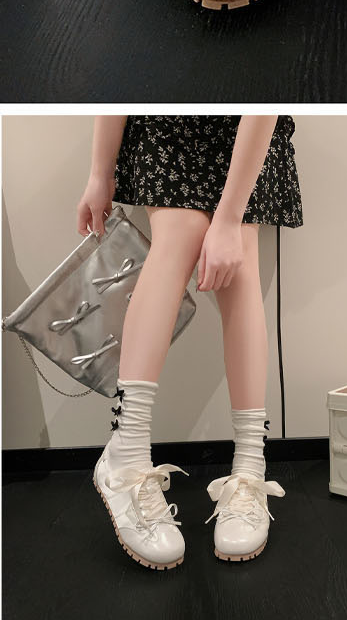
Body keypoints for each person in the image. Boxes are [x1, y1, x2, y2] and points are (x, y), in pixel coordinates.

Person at [77, 113, 302, 569]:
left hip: (249, 135)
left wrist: (229, 218)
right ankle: (127, 451)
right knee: (179, 235)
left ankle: (250, 467)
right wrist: (100, 171)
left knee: (241, 261)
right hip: (170, 124)